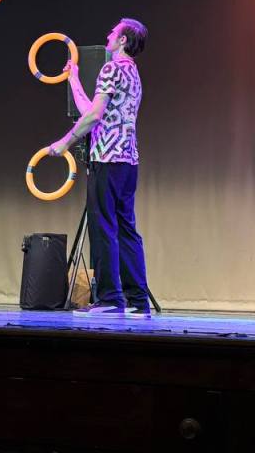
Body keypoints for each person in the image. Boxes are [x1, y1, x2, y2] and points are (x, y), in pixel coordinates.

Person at [47, 18, 150, 317]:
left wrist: (65, 142)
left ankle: (110, 299)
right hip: (128, 161)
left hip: (107, 158)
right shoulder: (133, 73)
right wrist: (73, 79)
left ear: (123, 40)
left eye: (114, 32)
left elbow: (93, 118)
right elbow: (92, 111)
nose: (109, 34)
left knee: (103, 228)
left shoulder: (111, 69)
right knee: (126, 230)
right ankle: (137, 301)